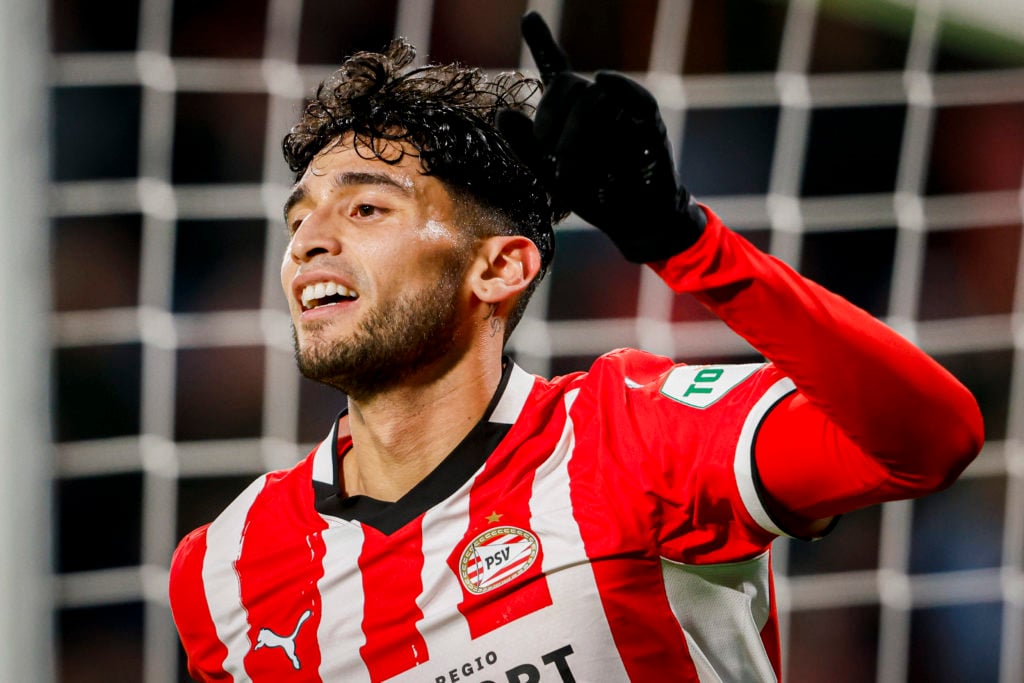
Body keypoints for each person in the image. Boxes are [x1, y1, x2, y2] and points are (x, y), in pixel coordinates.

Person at [169, 12, 984, 682]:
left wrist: (685, 241)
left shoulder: (626, 437)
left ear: (498, 267)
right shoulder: (224, 573)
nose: (309, 240)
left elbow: (930, 440)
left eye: (366, 210)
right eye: (299, 217)